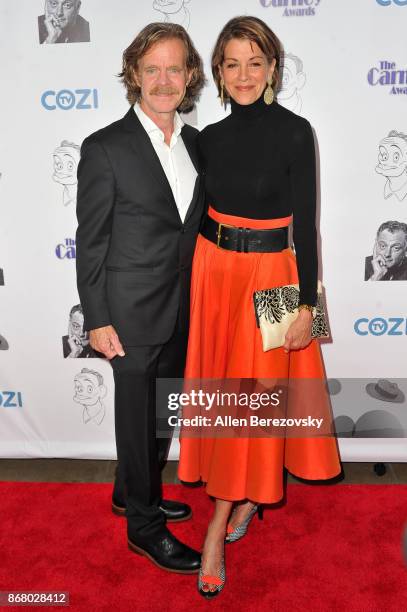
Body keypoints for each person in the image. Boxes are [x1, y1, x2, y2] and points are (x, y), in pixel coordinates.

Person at [177, 16, 342, 597]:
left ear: (272, 68)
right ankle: (242, 499)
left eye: (255, 62)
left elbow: (308, 229)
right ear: (219, 73)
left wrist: (305, 307)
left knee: (255, 404)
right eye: (231, 63)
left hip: (274, 277)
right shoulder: (207, 140)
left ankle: (219, 524)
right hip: (215, 276)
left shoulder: (297, 132)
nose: (243, 75)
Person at [76, 22, 205, 573]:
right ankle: (144, 529)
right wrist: (97, 316)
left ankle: (131, 491)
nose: (162, 79)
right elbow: (91, 241)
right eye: (151, 68)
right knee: (135, 421)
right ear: (133, 75)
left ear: (190, 76)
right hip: (127, 314)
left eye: (174, 68)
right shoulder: (104, 147)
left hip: (184, 307)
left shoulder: (200, 144)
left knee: (160, 416)